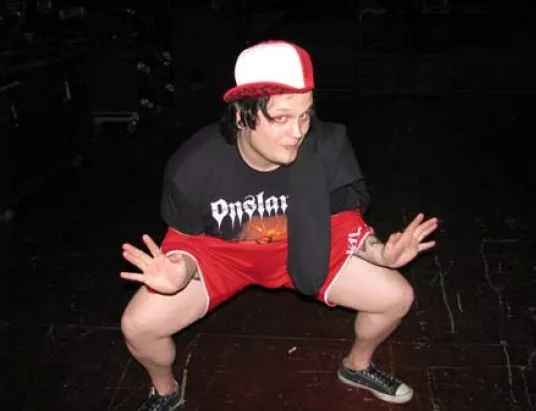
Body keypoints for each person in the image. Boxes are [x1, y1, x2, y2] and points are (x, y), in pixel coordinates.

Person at [120, 39, 438, 411]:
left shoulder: (324, 147)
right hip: (221, 256)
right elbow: (187, 240)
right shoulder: (193, 166)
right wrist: (181, 271)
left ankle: (357, 366)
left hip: (305, 242)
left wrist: (382, 254)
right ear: (242, 116)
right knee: (138, 326)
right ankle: (165, 391)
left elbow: (341, 221)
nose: (298, 131)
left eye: (305, 115)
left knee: (396, 297)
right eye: (281, 118)